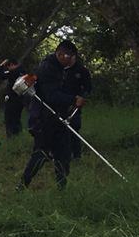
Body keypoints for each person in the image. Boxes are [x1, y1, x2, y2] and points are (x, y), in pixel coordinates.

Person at [19, 40, 94, 190]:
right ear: (59, 53)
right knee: (41, 153)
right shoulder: (48, 68)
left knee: (64, 154)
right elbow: (51, 96)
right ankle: (22, 186)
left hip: (59, 117)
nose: (70, 60)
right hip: (43, 119)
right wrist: (73, 99)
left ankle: (62, 188)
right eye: (68, 56)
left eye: (73, 57)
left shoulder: (61, 68)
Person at [0, 57, 27, 137]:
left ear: (12, 65)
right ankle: (18, 135)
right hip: (21, 99)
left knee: (9, 119)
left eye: (8, 67)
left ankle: (11, 136)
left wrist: (1, 65)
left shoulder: (13, 72)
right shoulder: (23, 71)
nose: (8, 69)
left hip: (12, 98)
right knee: (17, 118)